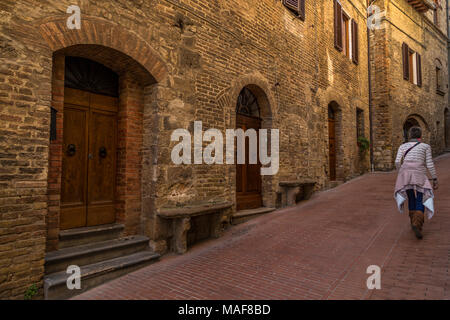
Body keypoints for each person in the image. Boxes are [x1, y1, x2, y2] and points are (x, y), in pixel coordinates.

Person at [394, 126, 438, 239]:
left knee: (410, 197)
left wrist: (400, 172)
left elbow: (397, 161)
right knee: (420, 196)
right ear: (420, 135)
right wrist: (434, 178)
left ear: (409, 136)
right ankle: (417, 223)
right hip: (419, 174)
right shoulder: (425, 147)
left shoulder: (403, 146)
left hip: (405, 174)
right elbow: (429, 163)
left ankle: (413, 220)